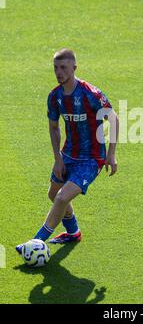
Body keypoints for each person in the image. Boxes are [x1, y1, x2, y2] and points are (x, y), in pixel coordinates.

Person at [16, 48, 118, 252]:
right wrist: (57, 159)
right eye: (55, 67)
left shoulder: (91, 94)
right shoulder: (54, 97)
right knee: (54, 195)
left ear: (74, 68)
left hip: (91, 159)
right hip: (68, 155)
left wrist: (111, 154)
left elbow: (113, 119)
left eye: (63, 67)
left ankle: (36, 242)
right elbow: (54, 127)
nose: (58, 72)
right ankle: (73, 233)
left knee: (63, 197)